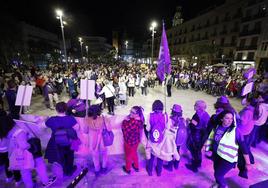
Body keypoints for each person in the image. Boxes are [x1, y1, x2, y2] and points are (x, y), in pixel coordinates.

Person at [205, 110, 250, 188]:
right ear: (222, 119)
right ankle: (218, 183)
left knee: (218, 174)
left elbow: (244, 147)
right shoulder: (217, 126)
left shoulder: (235, 131)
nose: (230, 121)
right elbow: (212, 137)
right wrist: (205, 145)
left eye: (231, 119)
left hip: (228, 159)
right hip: (217, 155)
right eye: (227, 118)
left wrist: (247, 163)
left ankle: (223, 185)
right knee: (216, 171)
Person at [45, 102, 78, 179]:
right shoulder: (70, 118)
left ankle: (61, 171)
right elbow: (77, 128)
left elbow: (44, 125)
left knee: (60, 156)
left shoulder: (52, 119)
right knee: (70, 156)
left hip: (56, 142)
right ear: (66, 109)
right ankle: (69, 171)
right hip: (68, 141)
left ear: (56, 109)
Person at [84, 105, 109, 177]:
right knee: (104, 153)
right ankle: (104, 168)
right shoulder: (103, 118)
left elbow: (85, 131)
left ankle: (97, 169)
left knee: (95, 155)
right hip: (102, 140)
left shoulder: (87, 119)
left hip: (92, 140)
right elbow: (109, 129)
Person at [145, 100, 168, 176]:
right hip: (161, 140)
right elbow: (166, 128)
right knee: (160, 156)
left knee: (152, 156)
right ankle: (159, 172)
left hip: (152, 139)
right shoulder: (165, 116)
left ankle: (150, 171)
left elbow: (148, 128)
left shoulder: (150, 115)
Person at [186, 100, 210, 172]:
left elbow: (195, 125)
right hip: (204, 135)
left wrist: (188, 122)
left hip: (197, 136)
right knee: (198, 150)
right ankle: (198, 163)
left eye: (195, 105)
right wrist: (191, 121)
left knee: (193, 149)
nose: (194, 106)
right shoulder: (206, 114)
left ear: (199, 108)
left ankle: (194, 166)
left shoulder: (197, 116)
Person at [0, 109, 21, 185]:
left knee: (6, 164)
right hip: (11, 148)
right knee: (14, 164)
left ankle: (9, 177)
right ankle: (17, 180)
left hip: (1, 150)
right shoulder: (10, 123)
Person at [121, 106, 145, 174]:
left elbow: (124, 128)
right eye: (130, 111)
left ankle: (128, 169)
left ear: (137, 114)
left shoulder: (134, 122)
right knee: (134, 153)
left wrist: (125, 120)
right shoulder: (140, 120)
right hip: (135, 141)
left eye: (132, 112)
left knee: (128, 155)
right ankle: (136, 166)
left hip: (129, 141)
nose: (130, 113)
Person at [163, 104, 186, 171]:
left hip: (172, 139)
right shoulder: (182, 120)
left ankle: (170, 166)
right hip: (179, 140)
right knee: (176, 151)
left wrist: (166, 117)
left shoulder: (170, 120)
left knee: (170, 152)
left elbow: (167, 128)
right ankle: (176, 164)